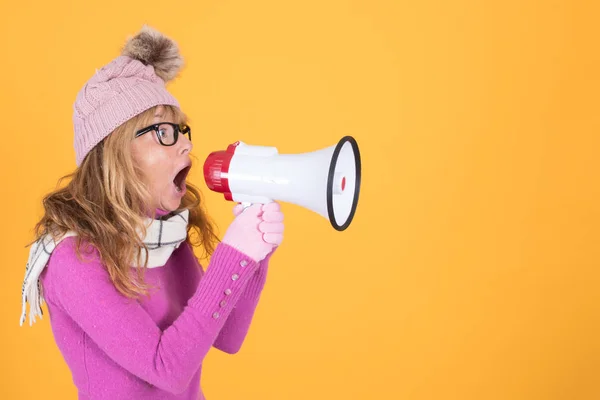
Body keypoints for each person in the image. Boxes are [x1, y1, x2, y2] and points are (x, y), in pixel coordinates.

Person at [19, 25, 284, 400]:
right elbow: (167, 369)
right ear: (115, 150)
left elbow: (228, 337)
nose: (187, 143)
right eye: (164, 131)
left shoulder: (163, 234)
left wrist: (256, 255)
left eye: (182, 129)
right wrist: (233, 254)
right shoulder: (72, 257)